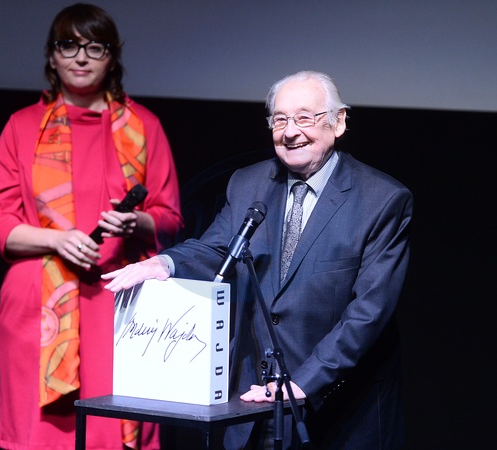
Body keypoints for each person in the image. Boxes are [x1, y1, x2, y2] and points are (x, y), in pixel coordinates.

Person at [102, 70, 413, 449]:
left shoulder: (382, 199)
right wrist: (161, 265)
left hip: (341, 406)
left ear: (338, 122)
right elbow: (216, 249)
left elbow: (369, 312)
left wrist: (305, 383)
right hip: (254, 399)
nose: (290, 132)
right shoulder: (248, 183)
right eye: (280, 120)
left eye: (304, 118)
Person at [0, 4, 183, 449]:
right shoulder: (22, 126)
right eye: (69, 45)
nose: (81, 57)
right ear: (52, 56)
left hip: (122, 303)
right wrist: (58, 239)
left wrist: (135, 221)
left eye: (95, 47)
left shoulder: (145, 126)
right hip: (40, 307)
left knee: (117, 424)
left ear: (112, 57)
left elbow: (170, 220)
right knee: (41, 435)